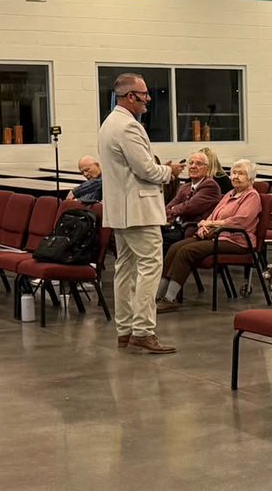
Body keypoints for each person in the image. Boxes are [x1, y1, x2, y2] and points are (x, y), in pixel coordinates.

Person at [97, 72, 183, 354]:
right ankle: (144, 330)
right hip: (139, 211)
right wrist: (170, 172)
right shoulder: (129, 127)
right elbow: (146, 170)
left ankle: (125, 330)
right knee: (149, 267)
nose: (149, 99)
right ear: (130, 96)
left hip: (122, 211)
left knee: (125, 268)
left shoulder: (109, 124)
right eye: (144, 94)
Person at [156, 160, 262, 312]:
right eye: (234, 173)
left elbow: (240, 221)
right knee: (175, 248)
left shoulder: (252, 196)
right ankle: (158, 295)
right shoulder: (229, 195)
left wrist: (213, 224)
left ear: (251, 178)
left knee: (187, 251)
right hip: (216, 235)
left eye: (241, 174)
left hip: (236, 240)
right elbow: (212, 215)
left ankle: (169, 299)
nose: (236, 176)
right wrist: (204, 226)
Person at [161, 151, 223, 253]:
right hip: (175, 227)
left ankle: (165, 269)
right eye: (191, 163)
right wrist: (172, 210)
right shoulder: (185, 186)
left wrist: (173, 210)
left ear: (207, 169)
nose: (193, 166)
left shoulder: (210, 185)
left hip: (192, 230)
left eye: (198, 164)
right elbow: (169, 207)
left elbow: (189, 208)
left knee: (160, 241)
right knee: (151, 236)